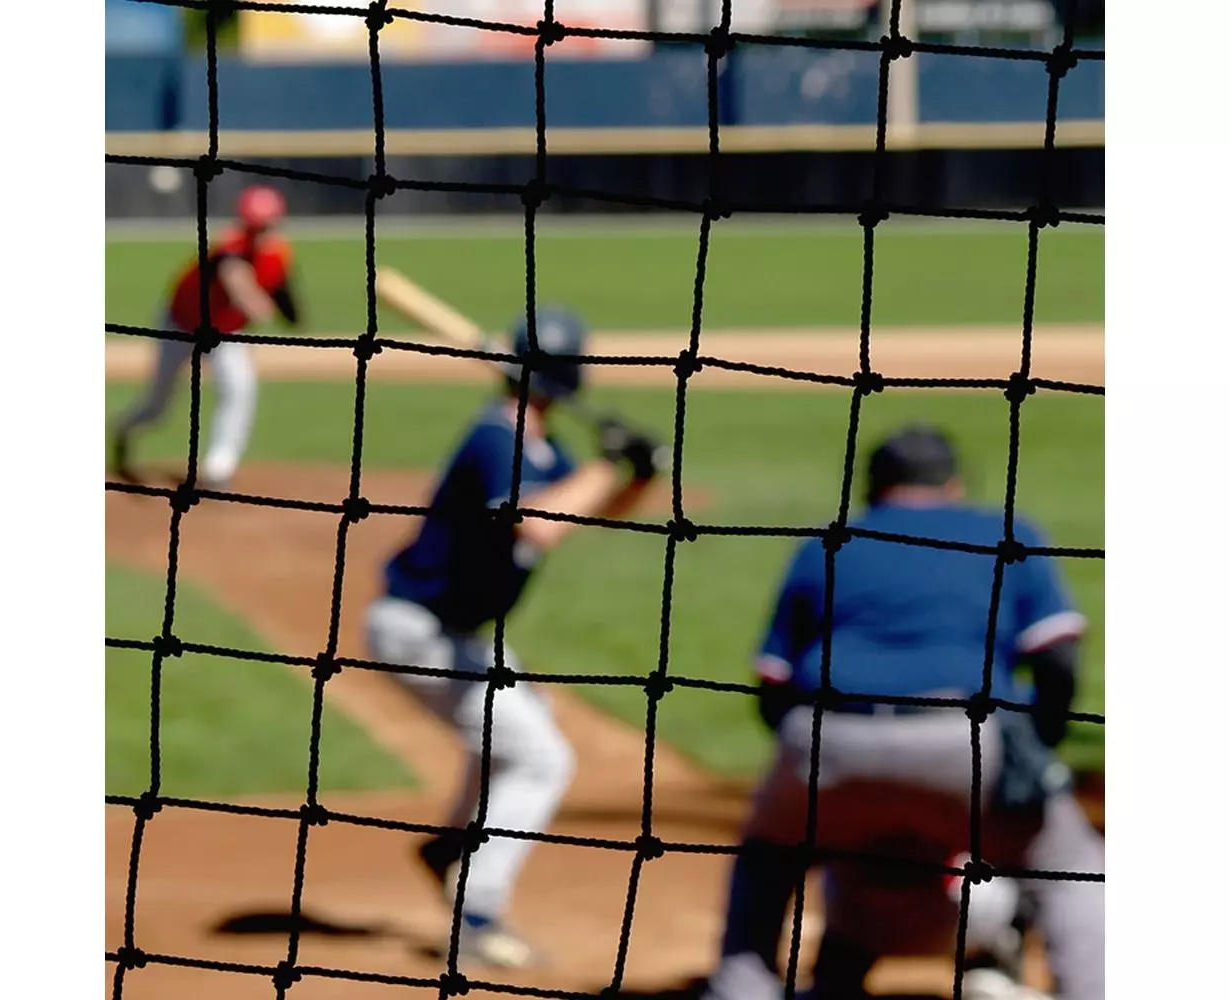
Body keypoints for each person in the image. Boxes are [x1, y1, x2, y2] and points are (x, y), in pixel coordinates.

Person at [702, 424, 1104, 1000]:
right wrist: (1037, 749)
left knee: (767, 863)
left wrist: (821, 765)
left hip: (825, 739)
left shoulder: (829, 542)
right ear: (956, 484)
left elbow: (772, 684)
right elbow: (1058, 661)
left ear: (873, 486)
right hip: (963, 742)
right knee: (1073, 872)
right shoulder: (1006, 532)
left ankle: (740, 991)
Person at [364, 306, 666, 970]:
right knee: (541, 759)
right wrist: (606, 462)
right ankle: (478, 909)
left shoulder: (543, 451)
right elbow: (537, 525)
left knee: (530, 717)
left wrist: (635, 474)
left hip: (456, 635)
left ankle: (450, 843)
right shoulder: (493, 440)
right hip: (418, 632)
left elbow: (590, 509)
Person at [110, 184, 301, 489]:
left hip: (222, 333)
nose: (262, 232)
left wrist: (288, 312)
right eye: (257, 225)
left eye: (267, 225)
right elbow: (234, 277)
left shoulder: (278, 252)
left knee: (240, 390)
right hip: (180, 325)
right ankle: (124, 429)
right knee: (157, 407)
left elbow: (284, 292)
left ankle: (218, 470)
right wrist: (255, 302)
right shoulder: (229, 247)